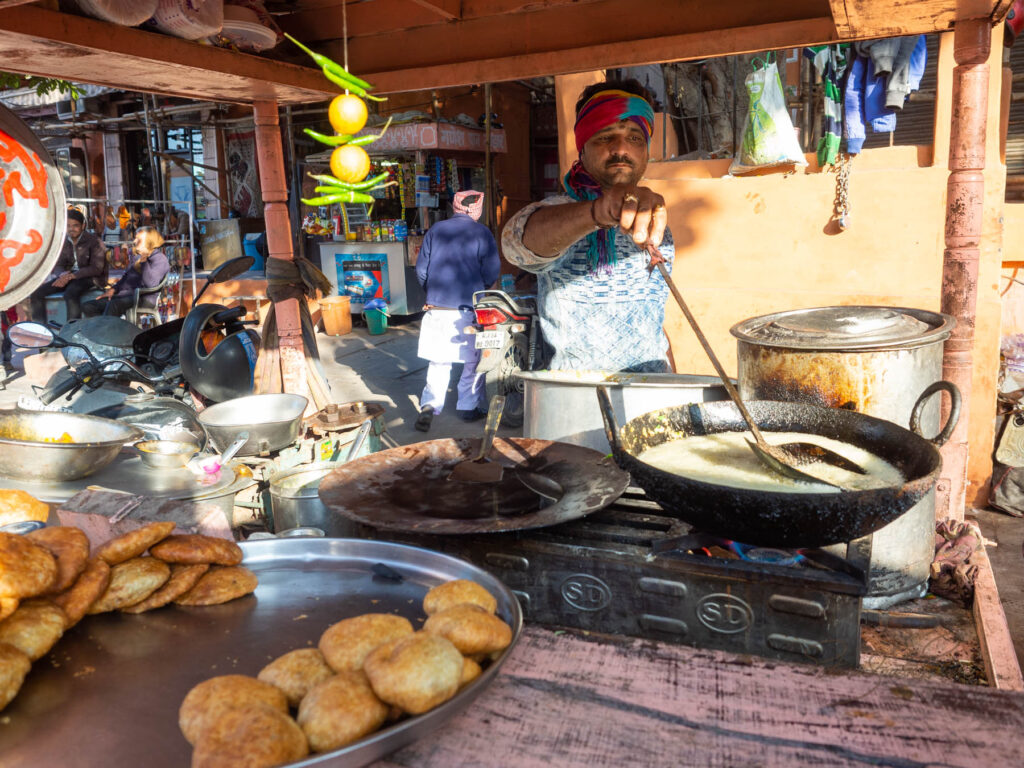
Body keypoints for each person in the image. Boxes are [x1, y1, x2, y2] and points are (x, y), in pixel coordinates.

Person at [501, 78, 674, 372]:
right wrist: (598, 212)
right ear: (583, 148)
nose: (621, 148)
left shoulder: (655, 220)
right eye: (605, 136)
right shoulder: (558, 212)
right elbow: (515, 246)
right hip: (579, 400)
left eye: (634, 138)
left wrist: (674, 381)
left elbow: (652, 320)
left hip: (651, 395)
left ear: (645, 150)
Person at [413, 190, 501, 432]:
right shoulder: (482, 233)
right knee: (472, 362)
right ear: (477, 209)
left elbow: (421, 270)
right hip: (468, 309)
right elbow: (492, 271)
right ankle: (467, 407)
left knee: (439, 361)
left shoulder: (436, 230)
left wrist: (432, 293)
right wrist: (482, 289)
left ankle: (429, 405)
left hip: (437, 308)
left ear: (455, 206)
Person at [30, 208, 108, 323]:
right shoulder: (64, 241)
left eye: (75, 225)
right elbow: (58, 264)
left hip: (91, 278)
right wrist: (62, 274)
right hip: (68, 277)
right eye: (68, 226)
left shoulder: (94, 241)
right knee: (36, 294)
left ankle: (71, 330)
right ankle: (40, 330)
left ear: (83, 226)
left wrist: (71, 276)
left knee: (71, 293)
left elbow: (96, 268)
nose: (71, 229)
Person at [82, 227, 170, 319]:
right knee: (88, 306)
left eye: (138, 239)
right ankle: (106, 329)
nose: (135, 241)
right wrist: (113, 289)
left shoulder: (159, 259)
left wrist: (144, 261)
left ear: (149, 241)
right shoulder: (137, 257)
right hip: (126, 295)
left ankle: (105, 330)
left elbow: (151, 284)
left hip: (143, 299)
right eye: (135, 238)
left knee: (114, 305)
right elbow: (127, 277)